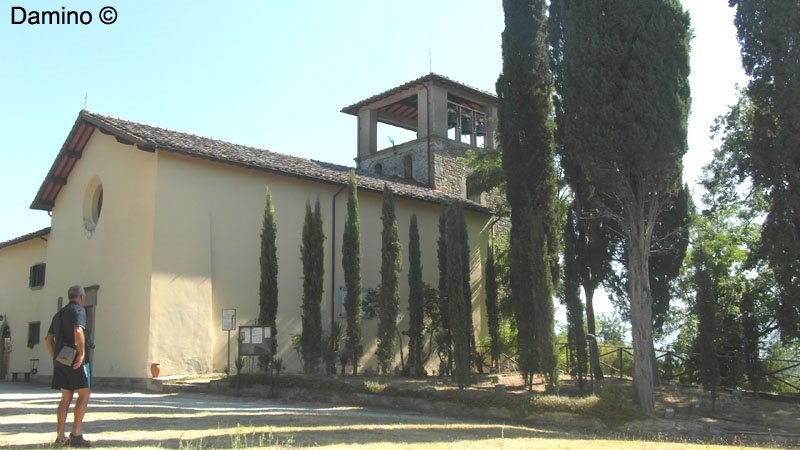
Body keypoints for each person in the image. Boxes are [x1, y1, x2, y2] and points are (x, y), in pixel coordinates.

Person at [45, 285, 92, 447]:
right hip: (75, 359)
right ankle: (76, 434)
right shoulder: (79, 310)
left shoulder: (58, 314)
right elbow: (78, 331)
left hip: (61, 360)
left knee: (65, 398)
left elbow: (48, 339)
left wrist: (55, 356)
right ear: (80, 296)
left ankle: (60, 436)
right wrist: (82, 353)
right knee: (84, 394)